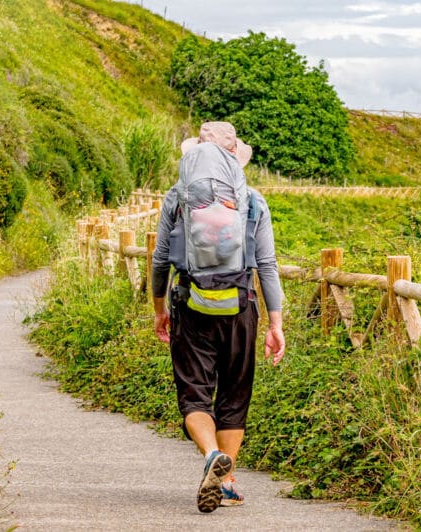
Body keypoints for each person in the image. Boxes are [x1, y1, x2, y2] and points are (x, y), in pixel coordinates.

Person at [150, 121, 286, 513]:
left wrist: (159, 310)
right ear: (235, 160)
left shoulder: (177, 198)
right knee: (234, 393)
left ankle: (212, 454)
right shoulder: (253, 201)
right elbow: (267, 265)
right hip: (241, 306)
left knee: (194, 393)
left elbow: (160, 260)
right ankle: (226, 483)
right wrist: (275, 324)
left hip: (190, 304)